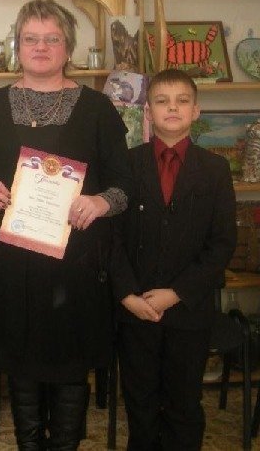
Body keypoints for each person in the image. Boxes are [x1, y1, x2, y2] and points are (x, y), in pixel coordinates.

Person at [0, 0, 132, 449]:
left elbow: (124, 185)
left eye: (52, 39)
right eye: (31, 39)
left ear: (68, 47)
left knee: (71, 369)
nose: (41, 47)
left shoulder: (98, 109)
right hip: (11, 267)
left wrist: (100, 202)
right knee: (20, 370)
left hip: (76, 270)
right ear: (17, 46)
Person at [111, 68, 236, 450]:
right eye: (162, 101)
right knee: (140, 402)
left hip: (188, 310)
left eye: (182, 101)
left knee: (184, 405)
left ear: (196, 111)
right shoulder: (126, 165)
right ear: (148, 111)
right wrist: (127, 294)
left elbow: (222, 244)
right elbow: (110, 239)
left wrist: (176, 293)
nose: (172, 108)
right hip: (136, 308)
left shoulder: (215, 170)